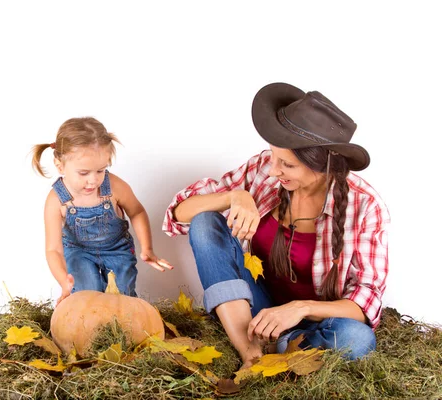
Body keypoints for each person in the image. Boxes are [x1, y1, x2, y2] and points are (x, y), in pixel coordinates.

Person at [163, 83, 390, 367]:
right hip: (255, 306)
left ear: (323, 166)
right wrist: (234, 196)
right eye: (272, 156)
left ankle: (286, 344)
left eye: (287, 164)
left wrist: (299, 309)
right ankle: (252, 353)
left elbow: (366, 301)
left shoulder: (365, 205)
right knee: (206, 222)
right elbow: (180, 212)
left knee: (356, 339)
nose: (273, 170)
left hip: (313, 323)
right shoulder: (264, 171)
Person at [32, 117, 173, 305]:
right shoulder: (56, 200)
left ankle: (122, 326)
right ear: (60, 165)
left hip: (117, 248)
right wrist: (64, 281)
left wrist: (147, 248)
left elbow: (137, 212)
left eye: (100, 170)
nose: (93, 180)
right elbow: (53, 249)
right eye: (84, 173)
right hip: (78, 251)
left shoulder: (114, 186)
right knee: (86, 295)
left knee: (122, 298)